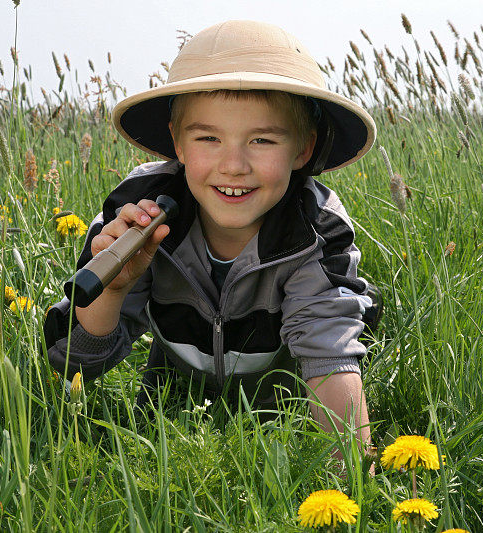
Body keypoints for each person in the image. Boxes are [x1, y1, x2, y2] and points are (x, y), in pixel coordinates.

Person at [43, 20, 382, 460]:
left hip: (280, 401)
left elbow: (325, 355)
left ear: (302, 150)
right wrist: (114, 288)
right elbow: (73, 364)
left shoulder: (314, 228)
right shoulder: (136, 212)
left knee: (347, 318)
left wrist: (354, 479)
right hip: (173, 399)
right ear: (177, 145)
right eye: (208, 138)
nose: (234, 165)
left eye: (261, 139)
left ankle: (366, 312)